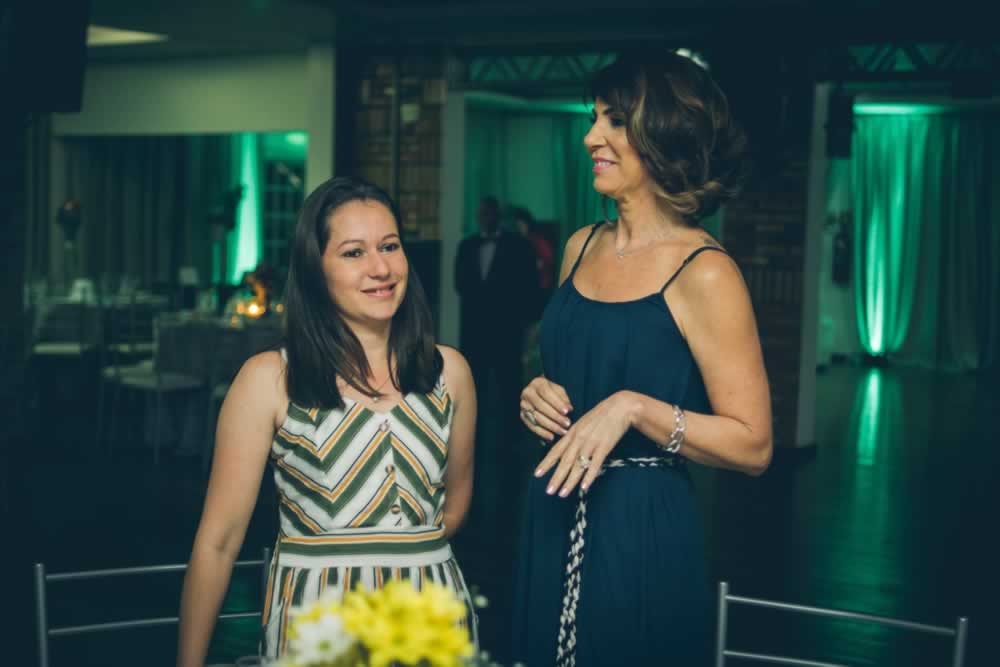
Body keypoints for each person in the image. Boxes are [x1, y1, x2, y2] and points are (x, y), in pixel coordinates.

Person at [512, 51, 773, 666]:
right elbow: (574, 369)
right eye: (594, 118)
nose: (590, 138)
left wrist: (635, 409)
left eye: (614, 121)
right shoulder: (581, 246)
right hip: (553, 505)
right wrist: (536, 394)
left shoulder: (705, 272)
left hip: (640, 524)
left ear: (664, 137)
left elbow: (754, 444)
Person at [177, 177, 478, 665]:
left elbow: (455, 509)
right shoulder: (269, 379)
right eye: (354, 252)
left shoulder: (450, 373)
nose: (380, 268)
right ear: (315, 270)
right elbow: (218, 543)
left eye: (390, 246)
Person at [454, 197, 538, 502]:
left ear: (497, 215)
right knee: (473, 383)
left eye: (489, 212)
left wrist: (524, 324)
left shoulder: (518, 246)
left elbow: (529, 286)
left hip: (506, 330)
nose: (485, 217)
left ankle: (512, 440)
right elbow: (460, 284)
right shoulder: (467, 246)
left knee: (509, 384)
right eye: (481, 213)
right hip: (475, 331)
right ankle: (471, 435)